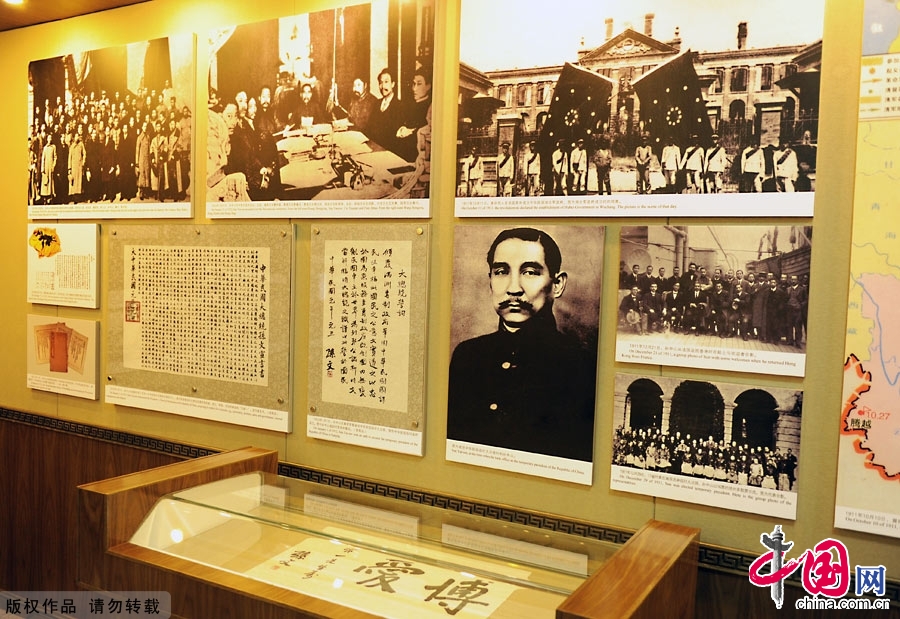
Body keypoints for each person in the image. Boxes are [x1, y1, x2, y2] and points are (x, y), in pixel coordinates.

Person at [447, 228, 596, 462]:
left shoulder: (581, 365)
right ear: (490, 281)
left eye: (530, 272)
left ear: (557, 284)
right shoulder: (468, 356)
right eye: (501, 272)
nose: (514, 288)